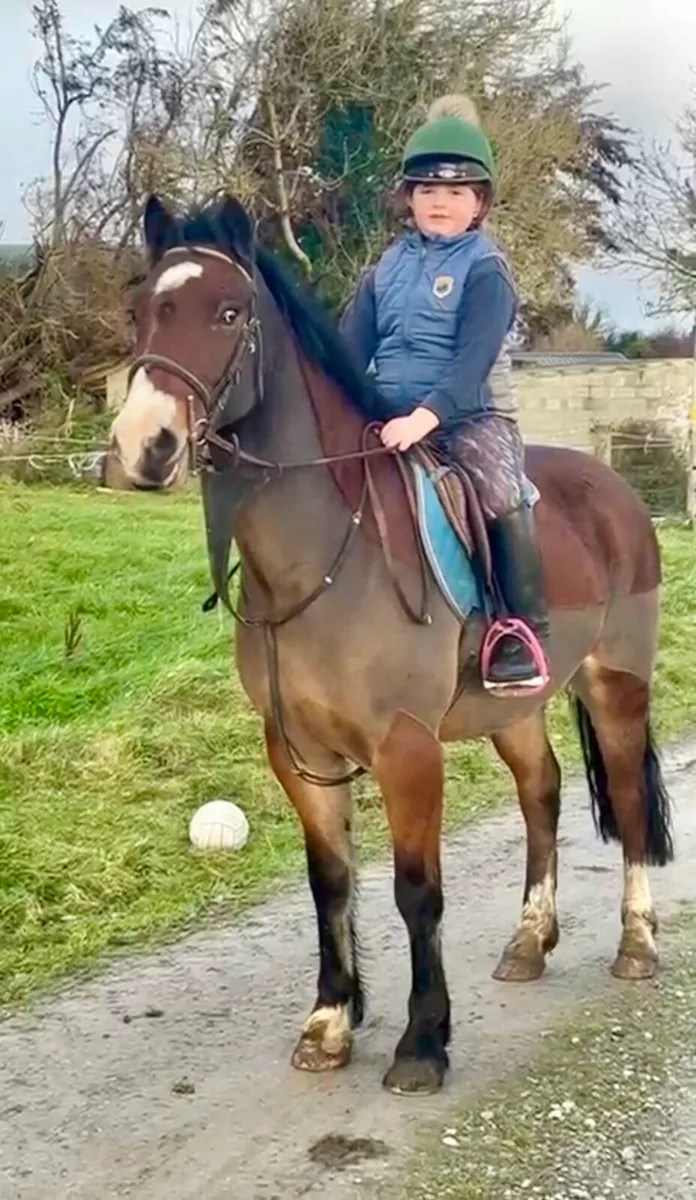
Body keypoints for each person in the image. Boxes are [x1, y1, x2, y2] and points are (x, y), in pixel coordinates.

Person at [339, 94, 550, 694]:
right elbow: (350, 353)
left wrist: (425, 417)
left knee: (502, 494)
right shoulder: (384, 268)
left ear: (479, 204)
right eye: (428, 190)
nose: (441, 201)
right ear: (408, 199)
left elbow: (472, 362)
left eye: (457, 192)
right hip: (388, 412)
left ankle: (519, 630)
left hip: (468, 417)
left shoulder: (488, 269)